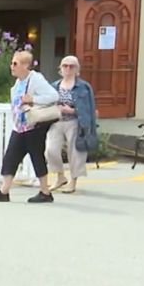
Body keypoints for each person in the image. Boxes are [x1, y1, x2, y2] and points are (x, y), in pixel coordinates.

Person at [0, 50, 59, 203]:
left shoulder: (36, 79)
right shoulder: (18, 82)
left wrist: (33, 98)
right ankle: (4, 191)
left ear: (25, 65)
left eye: (15, 63)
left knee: (37, 157)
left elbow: (54, 96)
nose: (11, 66)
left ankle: (45, 192)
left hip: (34, 126)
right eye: (12, 63)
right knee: (11, 157)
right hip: (19, 127)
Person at [45, 55, 98, 194]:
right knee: (50, 150)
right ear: (60, 69)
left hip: (75, 122)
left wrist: (72, 110)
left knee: (75, 152)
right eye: (65, 65)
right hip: (56, 121)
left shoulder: (83, 87)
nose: (68, 68)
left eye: (71, 66)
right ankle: (60, 176)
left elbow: (88, 108)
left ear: (77, 69)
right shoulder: (54, 86)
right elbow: (48, 102)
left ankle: (73, 181)